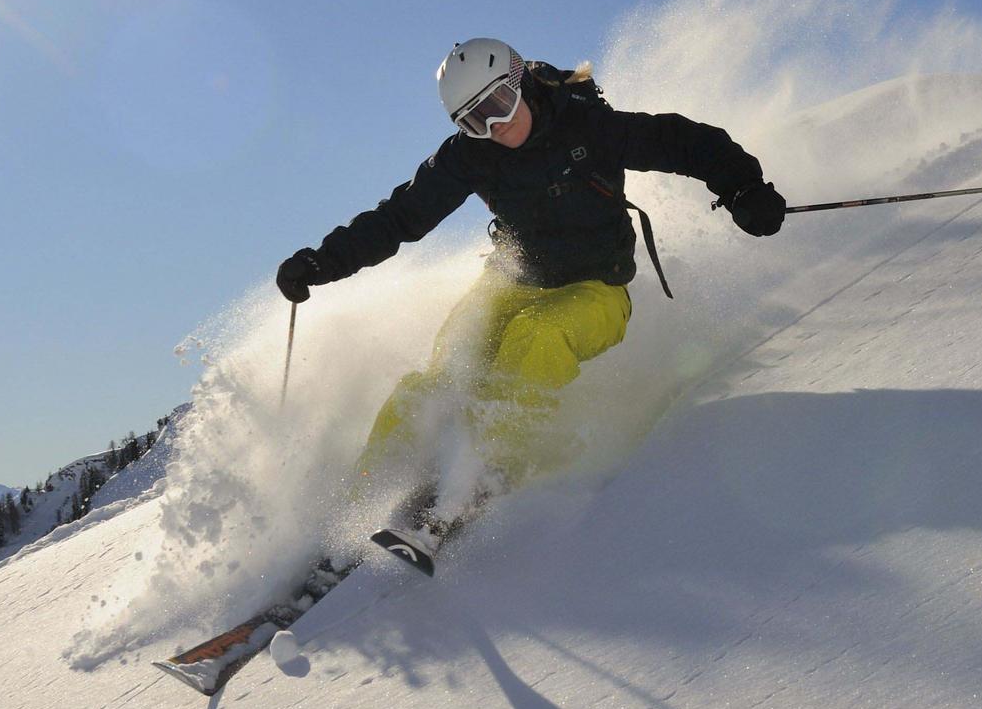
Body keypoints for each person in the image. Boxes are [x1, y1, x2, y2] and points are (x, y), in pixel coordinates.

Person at [275, 38, 784, 532]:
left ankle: (487, 473)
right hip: (514, 280)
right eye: (476, 120)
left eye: (499, 103)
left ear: (522, 82)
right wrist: (322, 263)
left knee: (534, 339)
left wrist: (743, 186)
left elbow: (681, 142)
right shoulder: (469, 156)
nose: (496, 125)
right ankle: (360, 505)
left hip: (596, 289)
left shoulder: (585, 123)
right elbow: (399, 217)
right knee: (443, 375)